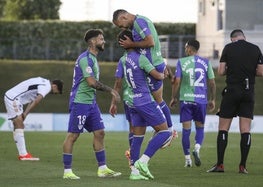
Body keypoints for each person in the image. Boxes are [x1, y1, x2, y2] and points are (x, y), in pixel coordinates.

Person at [110, 29, 172, 180]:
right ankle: (143, 162)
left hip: (133, 102)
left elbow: (118, 83)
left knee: (137, 137)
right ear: (133, 40)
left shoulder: (122, 60)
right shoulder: (141, 58)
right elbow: (158, 76)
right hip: (145, 100)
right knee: (165, 132)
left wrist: (113, 103)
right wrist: (164, 71)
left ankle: (134, 173)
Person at [62, 29, 121, 180]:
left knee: (100, 132)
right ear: (93, 42)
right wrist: (111, 91)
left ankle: (102, 169)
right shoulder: (85, 59)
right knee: (73, 135)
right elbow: (91, 82)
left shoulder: (93, 59)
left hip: (91, 103)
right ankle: (67, 171)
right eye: (101, 39)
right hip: (80, 102)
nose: (104, 41)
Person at [207, 29, 263, 174]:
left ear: (233, 39)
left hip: (232, 91)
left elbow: (221, 71)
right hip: (248, 92)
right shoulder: (255, 48)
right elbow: (261, 72)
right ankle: (242, 166)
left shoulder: (228, 48)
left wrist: (233, 69)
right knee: (245, 130)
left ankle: (220, 165)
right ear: (243, 37)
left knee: (223, 128)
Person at [112, 9, 174, 134]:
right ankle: (165, 130)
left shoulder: (139, 22)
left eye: (120, 25)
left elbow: (150, 42)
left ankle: (168, 131)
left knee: (155, 101)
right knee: (154, 100)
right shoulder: (138, 23)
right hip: (155, 64)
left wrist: (132, 43)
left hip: (153, 65)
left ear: (124, 17)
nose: (122, 28)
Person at [169, 39, 216, 167]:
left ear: (190, 48)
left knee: (186, 131)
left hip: (186, 100)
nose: (185, 50)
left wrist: (173, 97)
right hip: (201, 100)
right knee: (200, 128)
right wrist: (212, 99)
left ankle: (188, 160)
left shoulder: (182, 62)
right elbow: (212, 82)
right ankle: (197, 148)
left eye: (185, 47)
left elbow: (177, 81)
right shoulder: (206, 62)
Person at [4, 77, 63, 160]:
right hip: (13, 98)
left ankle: (22, 154)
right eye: (56, 92)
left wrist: (25, 114)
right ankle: (23, 154)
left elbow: (32, 100)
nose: (55, 93)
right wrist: (25, 113)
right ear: (54, 86)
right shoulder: (46, 87)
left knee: (18, 124)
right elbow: (36, 101)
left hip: (13, 97)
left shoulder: (43, 82)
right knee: (19, 124)